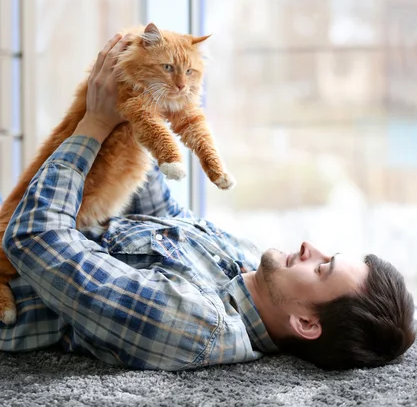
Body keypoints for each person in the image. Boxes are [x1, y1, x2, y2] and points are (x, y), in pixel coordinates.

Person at [0, 34, 415, 371]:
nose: (310, 248)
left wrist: (96, 123)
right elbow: (162, 219)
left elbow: (34, 239)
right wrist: (137, 110)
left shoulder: (195, 326)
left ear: (306, 324)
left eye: (322, 267)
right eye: (329, 254)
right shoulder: (250, 264)